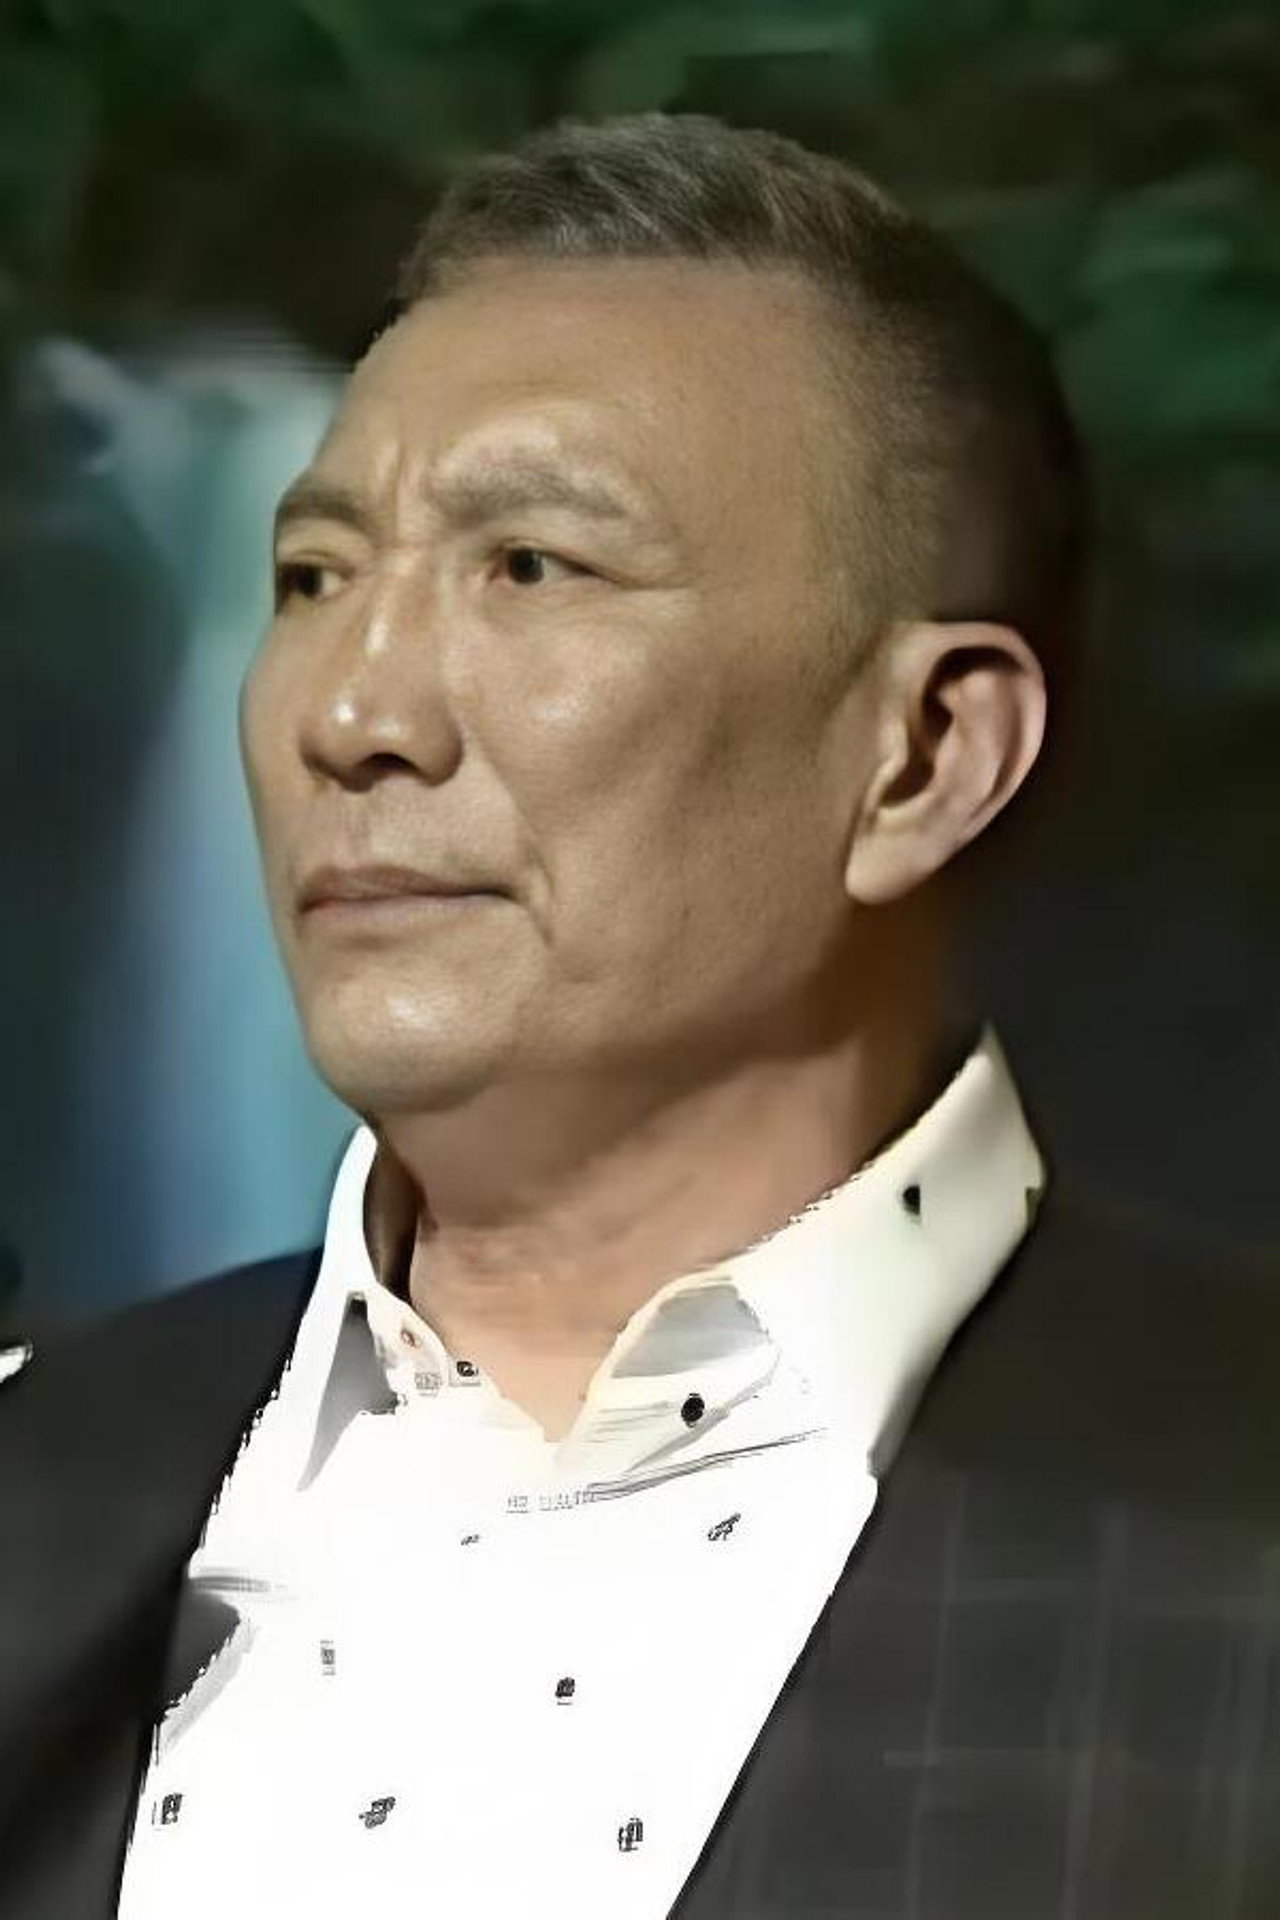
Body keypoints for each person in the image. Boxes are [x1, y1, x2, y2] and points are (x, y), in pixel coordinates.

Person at [1, 111, 1276, 1920]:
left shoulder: (1225, 1508)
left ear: (923, 756)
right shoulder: (46, 1468)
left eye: (532, 568)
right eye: (311, 580)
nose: (350, 714)